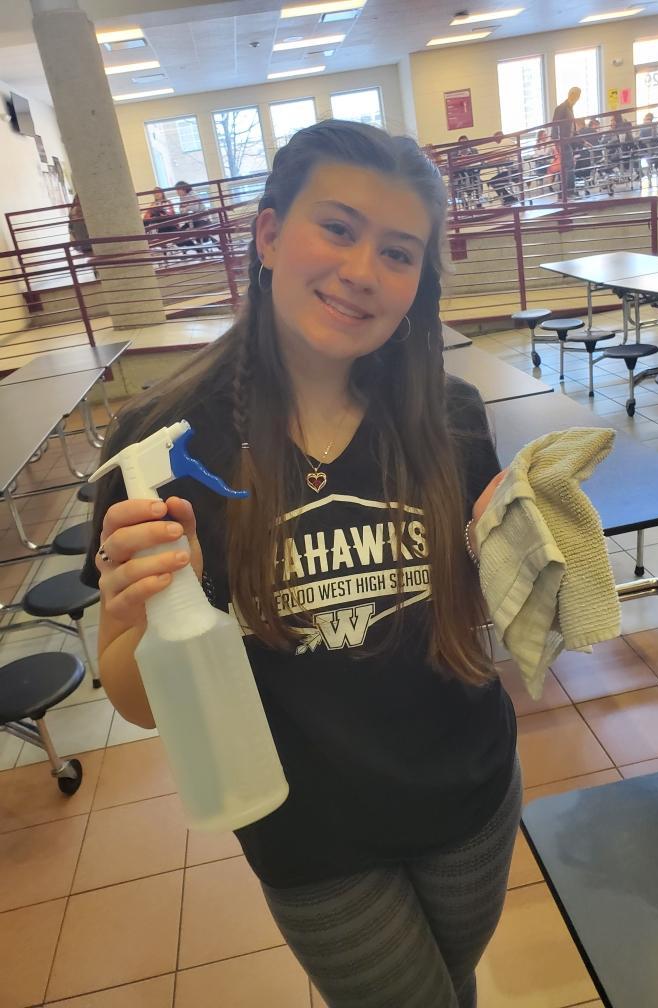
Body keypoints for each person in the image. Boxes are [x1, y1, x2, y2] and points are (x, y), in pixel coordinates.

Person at [85, 120, 520, 1008]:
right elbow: (135, 700)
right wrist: (145, 608)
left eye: (397, 252)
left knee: (455, 988)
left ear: (418, 280)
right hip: (310, 834)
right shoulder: (165, 443)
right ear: (270, 233)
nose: (362, 270)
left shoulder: (451, 416)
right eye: (338, 228)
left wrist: (525, 553)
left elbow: (481, 618)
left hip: (469, 798)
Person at [551, 86, 582, 199]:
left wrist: (581, 139)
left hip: (567, 141)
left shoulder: (569, 108)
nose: (578, 98)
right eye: (577, 95)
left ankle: (565, 192)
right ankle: (568, 192)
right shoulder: (562, 108)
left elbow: (571, 127)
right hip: (562, 141)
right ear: (572, 94)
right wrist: (557, 142)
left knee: (567, 166)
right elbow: (555, 125)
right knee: (568, 166)